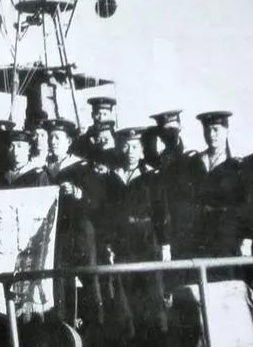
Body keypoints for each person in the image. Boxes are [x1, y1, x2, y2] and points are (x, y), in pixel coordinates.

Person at [103, 127, 169, 345]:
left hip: (147, 243)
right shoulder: (112, 178)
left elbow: (162, 212)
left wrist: (165, 245)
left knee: (152, 299)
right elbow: (107, 214)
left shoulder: (152, 177)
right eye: (126, 147)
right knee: (126, 302)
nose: (130, 151)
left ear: (141, 151)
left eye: (134, 147)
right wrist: (109, 244)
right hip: (123, 247)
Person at [42, 118, 105, 339]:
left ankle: (95, 333)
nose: (53, 142)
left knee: (89, 282)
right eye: (50, 137)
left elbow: (96, 202)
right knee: (60, 285)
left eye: (57, 138)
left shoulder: (82, 168)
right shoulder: (44, 170)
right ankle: (65, 333)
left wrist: (78, 193)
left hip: (80, 234)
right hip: (57, 236)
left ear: (68, 142)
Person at [184, 111, 253, 262]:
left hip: (227, 234)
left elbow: (247, 203)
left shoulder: (237, 164)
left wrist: (246, 239)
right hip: (199, 234)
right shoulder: (194, 163)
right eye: (207, 130)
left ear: (226, 131)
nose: (211, 135)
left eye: (216, 130)